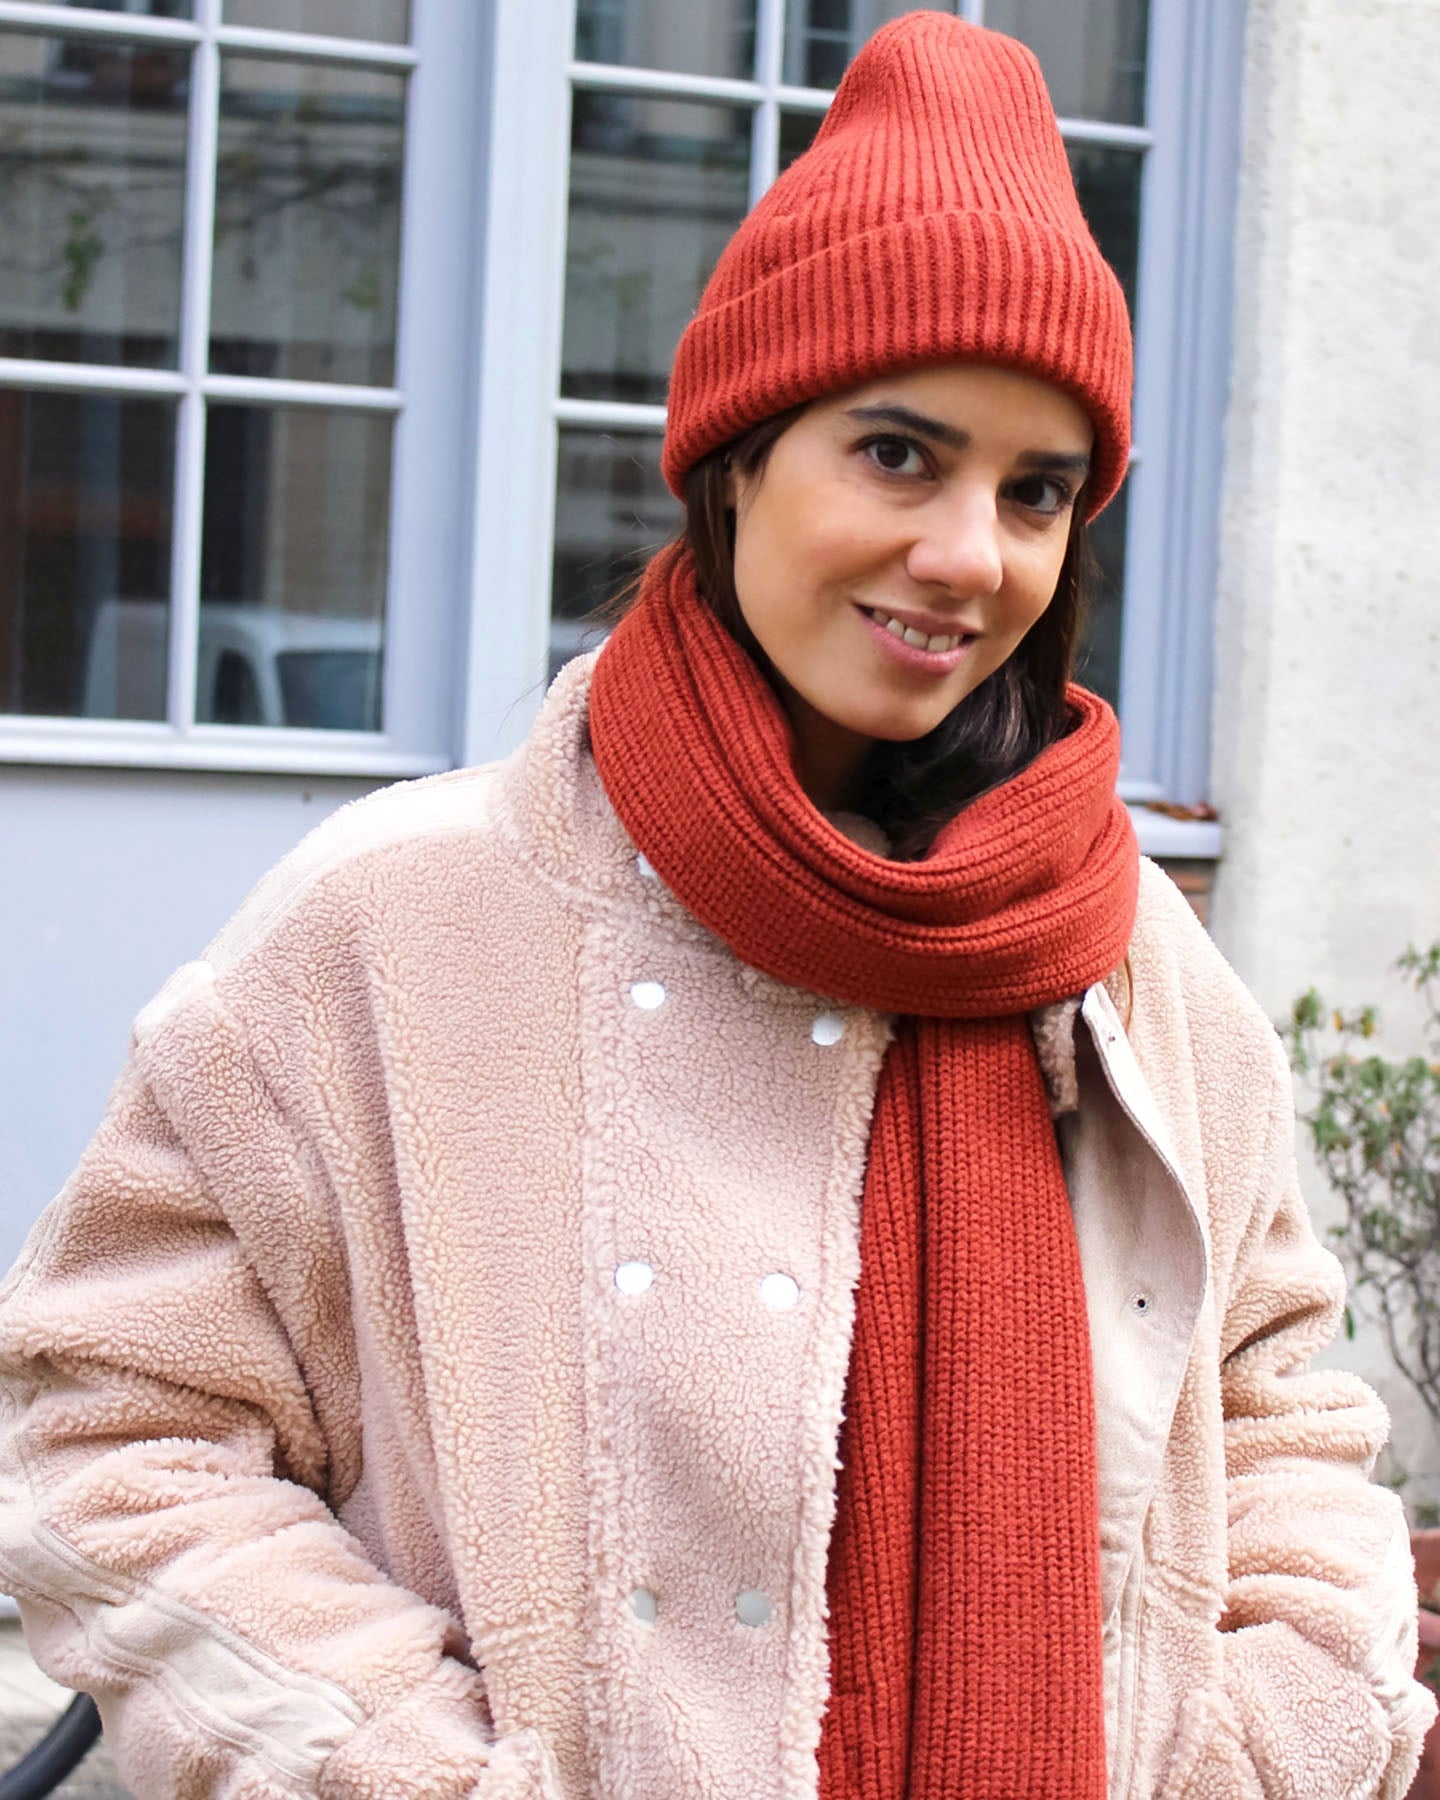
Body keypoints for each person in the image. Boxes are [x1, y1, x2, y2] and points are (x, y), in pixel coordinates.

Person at [0, 13, 1429, 1799]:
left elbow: (1284, 1412)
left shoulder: (1135, 964)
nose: (969, 554)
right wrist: (418, 1773)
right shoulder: (399, 926)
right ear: (738, 455)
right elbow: (117, 1419)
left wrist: (1258, 1742)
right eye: (897, 454)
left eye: (1037, 490)